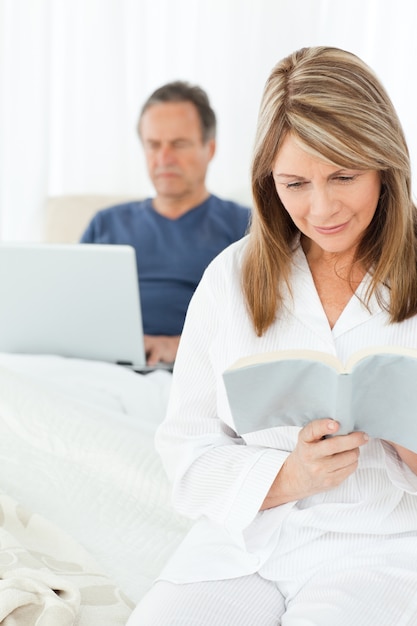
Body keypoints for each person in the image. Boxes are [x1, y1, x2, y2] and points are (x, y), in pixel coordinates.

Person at [126, 46, 417, 625]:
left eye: (344, 175)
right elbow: (186, 452)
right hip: (242, 549)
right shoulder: (230, 279)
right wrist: (289, 476)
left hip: (381, 550)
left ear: (385, 163)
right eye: (295, 183)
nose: (322, 207)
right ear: (267, 182)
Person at [80, 81, 251, 365]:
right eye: (153, 145)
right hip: (104, 367)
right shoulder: (106, 223)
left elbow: (269, 324)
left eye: (179, 144)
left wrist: (180, 347)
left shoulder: (246, 227)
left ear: (209, 149)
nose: (163, 159)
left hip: (194, 368)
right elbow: (74, 312)